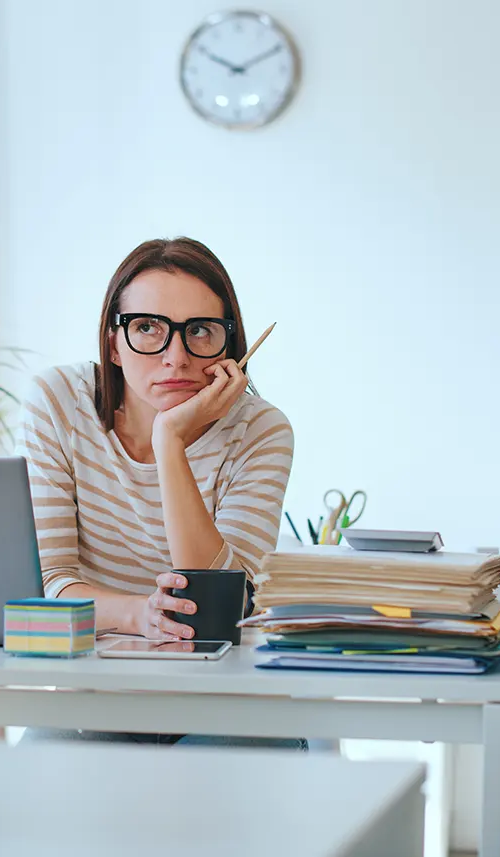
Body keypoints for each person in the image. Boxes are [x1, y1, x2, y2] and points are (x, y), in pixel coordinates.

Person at [16, 236, 298, 749]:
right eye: (147, 328)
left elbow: (219, 611)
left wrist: (170, 442)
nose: (177, 356)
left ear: (230, 346)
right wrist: (138, 615)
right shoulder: (58, 403)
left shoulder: (261, 431)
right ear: (113, 343)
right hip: (100, 693)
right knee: (41, 779)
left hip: (231, 700)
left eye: (200, 332)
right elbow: (51, 584)